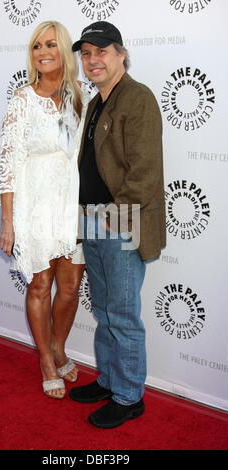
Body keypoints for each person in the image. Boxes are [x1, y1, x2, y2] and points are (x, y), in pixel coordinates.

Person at [69, 21, 166, 427]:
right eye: (87, 54)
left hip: (120, 222)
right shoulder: (96, 102)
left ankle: (129, 398)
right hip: (91, 220)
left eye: (101, 52)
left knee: (123, 314)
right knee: (107, 312)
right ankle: (109, 380)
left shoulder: (137, 98)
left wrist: (112, 219)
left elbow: (144, 172)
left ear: (121, 53)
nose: (93, 60)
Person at [0, 21, 90, 399]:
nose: (43, 51)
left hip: (72, 203)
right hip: (34, 205)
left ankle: (58, 346)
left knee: (69, 286)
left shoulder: (80, 95)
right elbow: (6, 161)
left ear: (63, 49)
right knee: (40, 284)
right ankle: (47, 362)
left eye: (51, 44)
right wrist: (7, 221)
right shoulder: (22, 98)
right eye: (36, 46)